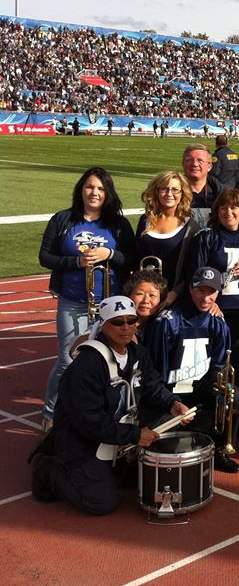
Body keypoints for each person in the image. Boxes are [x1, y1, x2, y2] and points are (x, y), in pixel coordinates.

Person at [29, 296, 190, 515]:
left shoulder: (137, 353)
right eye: (117, 322)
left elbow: (152, 386)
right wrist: (134, 435)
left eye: (131, 321)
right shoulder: (86, 365)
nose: (125, 327)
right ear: (102, 325)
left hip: (117, 427)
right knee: (101, 502)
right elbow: (88, 422)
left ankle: (116, 464)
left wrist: (172, 404)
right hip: (82, 440)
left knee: (170, 423)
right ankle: (49, 470)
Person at [38, 167, 136, 431]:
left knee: (110, 361)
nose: (95, 193)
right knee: (68, 360)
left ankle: (98, 412)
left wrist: (109, 254)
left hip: (110, 304)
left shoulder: (118, 224)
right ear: (81, 189)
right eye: (90, 187)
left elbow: (131, 258)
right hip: (73, 300)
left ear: (108, 193)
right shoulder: (63, 219)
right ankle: (51, 413)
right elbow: (45, 256)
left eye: (101, 189)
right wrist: (77, 261)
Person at [142, 267, 239, 472]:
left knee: (232, 395)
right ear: (190, 289)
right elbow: (155, 373)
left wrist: (220, 394)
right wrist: (170, 401)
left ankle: (219, 448)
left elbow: (218, 368)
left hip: (199, 387)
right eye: (200, 291)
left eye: (211, 291)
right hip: (169, 393)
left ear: (219, 292)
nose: (206, 298)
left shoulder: (218, 321)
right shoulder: (167, 322)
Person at [186, 188, 239, 397]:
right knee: (213, 359)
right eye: (223, 207)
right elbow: (195, 274)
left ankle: (235, 405)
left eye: (234, 207)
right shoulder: (207, 237)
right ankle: (210, 404)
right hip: (218, 310)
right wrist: (209, 302)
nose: (229, 212)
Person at [135, 170, 201, 305]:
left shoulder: (190, 227)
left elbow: (193, 269)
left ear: (182, 194)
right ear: (156, 191)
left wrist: (174, 293)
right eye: (164, 189)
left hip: (173, 299)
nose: (169, 194)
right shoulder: (144, 221)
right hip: (144, 299)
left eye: (175, 190)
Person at [182, 144, 223, 227]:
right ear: (183, 164)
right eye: (189, 160)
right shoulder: (171, 193)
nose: (195, 164)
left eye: (200, 160)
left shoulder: (221, 194)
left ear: (209, 167)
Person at [124, 268, 168, 334]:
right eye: (140, 294)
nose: (145, 300)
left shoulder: (162, 327)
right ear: (129, 295)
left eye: (152, 295)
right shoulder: (118, 325)